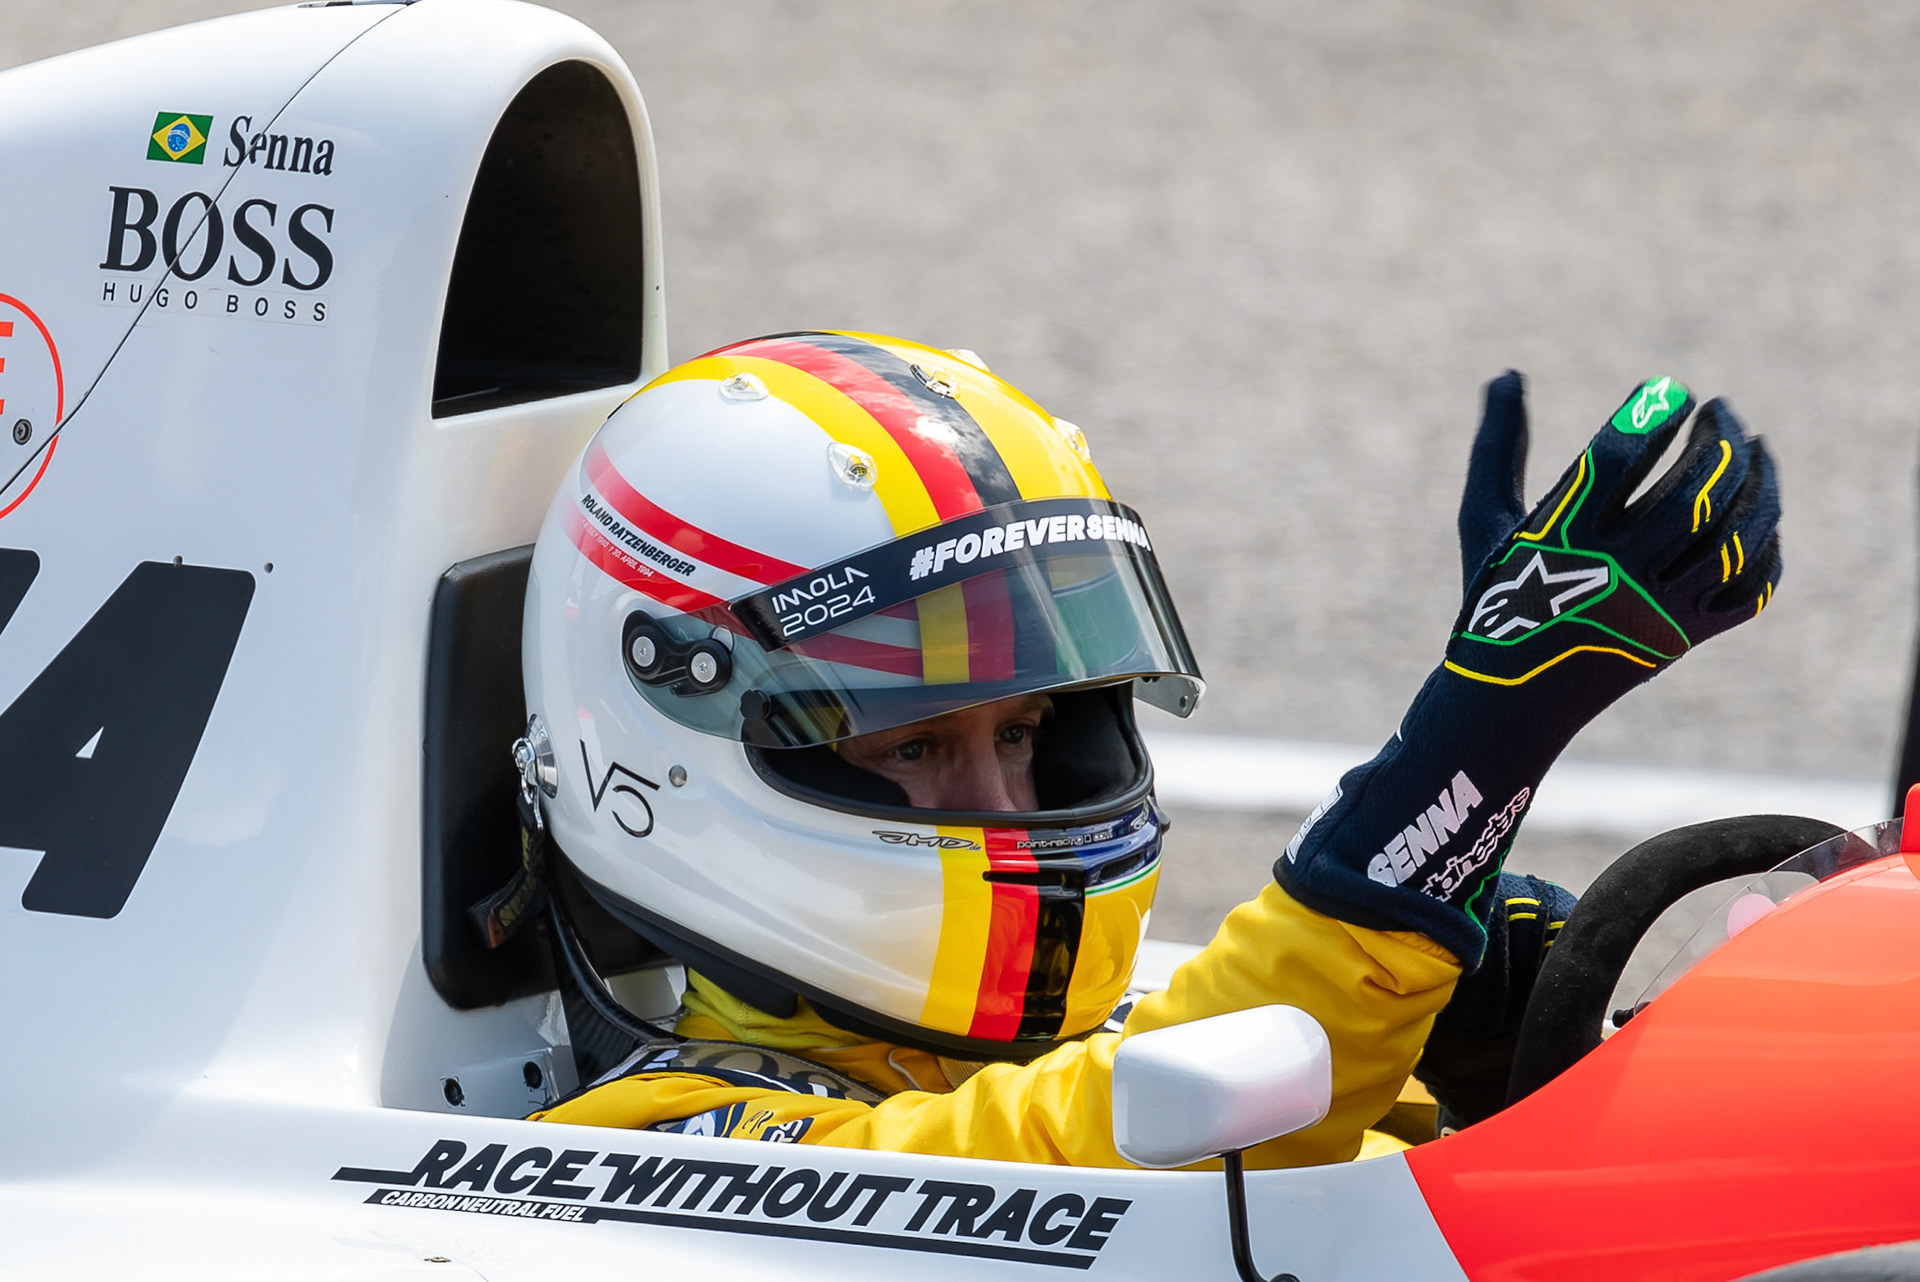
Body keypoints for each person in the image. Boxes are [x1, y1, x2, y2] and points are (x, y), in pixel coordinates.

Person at [518, 331, 1780, 1165]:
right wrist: (1476, 744)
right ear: (667, 744)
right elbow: (1131, 1153)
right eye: (911, 747)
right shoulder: (657, 1148)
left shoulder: (1078, 1037)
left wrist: (1497, 1052)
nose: (1004, 795)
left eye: (1021, 730)